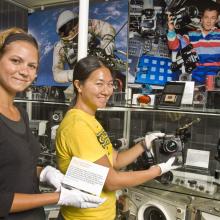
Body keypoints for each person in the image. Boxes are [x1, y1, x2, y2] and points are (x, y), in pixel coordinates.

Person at [55, 55, 179, 220]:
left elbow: (116, 160)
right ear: (79, 85)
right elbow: (111, 181)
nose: (106, 91)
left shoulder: (89, 120)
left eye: (110, 84)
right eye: (99, 84)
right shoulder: (77, 126)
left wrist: (144, 144)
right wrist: (156, 171)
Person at [0, 27, 105, 220]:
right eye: (15, 61)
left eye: (32, 66)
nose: (24, 71)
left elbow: (15, 170)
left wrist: (44, 173)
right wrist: (57, 197)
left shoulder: (20, 114)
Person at [52, 10, 116, 84]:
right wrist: (73, 74)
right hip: (83, 78)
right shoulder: (60, 47)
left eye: (70, 27)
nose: (70, 33)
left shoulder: (87, 25)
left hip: (103, 62)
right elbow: (57, 74)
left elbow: (106, 28)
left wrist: (108, 41)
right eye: (65, 30)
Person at [167, 5, 220, 84]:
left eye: (212, 18)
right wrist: (171, 30)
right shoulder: (191, 35)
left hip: (215, 80)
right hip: (194, 80)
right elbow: (174, 46)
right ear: (201, 19)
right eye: (206, 17)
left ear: (216, 20)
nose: (209, 21)